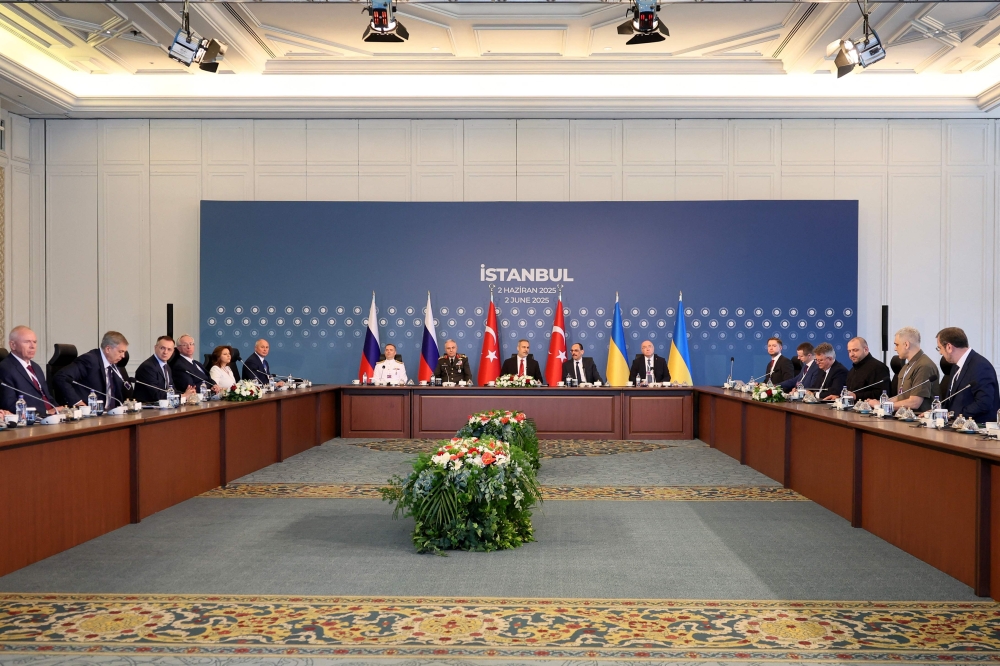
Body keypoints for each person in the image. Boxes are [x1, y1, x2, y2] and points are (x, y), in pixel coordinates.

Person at [936, 327, 999, 423]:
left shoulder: (980, 366)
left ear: (949, 347)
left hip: (976, 429)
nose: (940, 352)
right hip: (956, 426)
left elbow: (984, 403)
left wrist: (955, 414)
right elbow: (952, 400)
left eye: (939, 348)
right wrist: (938, 412)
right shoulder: (956, 366)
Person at [869, 326, 939, 412]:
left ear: (906, 344)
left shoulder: (924, 366)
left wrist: (882, 405)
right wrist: (882, 403)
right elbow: (902, 396)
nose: (895, 348)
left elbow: (914, 402)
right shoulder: (907, 366)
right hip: (904, 416)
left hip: (919, 420)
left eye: (897, 344)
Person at [55, 331, 130, 408]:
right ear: (108, 349)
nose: (123, 356)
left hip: (111, 413)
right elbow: (61, 376)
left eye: (124, 352)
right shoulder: (89, 360)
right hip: (89, 412)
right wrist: (77, 402)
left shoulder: (114, 365)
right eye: (120, 351)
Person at [0, 325, 56, 415]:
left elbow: (47, 397)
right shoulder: (5, 368)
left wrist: (59, 410)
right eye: (27, 342)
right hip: (32, 422)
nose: (32, 346)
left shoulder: (36, 367)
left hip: (51, 418)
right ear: (13, 345)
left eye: (34, 342)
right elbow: (9, 404)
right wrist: (45, 412)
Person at [134, 336, 195, 403]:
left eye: (169, 349)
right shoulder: (148, 367)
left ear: (173, 351)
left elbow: (171, 390)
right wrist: (183, 396)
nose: (165, 352)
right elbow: (156, 395)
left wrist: (188, 393)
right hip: (148, 408)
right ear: (155, 348)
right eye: (162, 348)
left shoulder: (167, 366)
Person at [839, 336, 890, 401]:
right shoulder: (852, 370)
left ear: (866, 349)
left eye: (855, 350)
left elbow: (882, 394)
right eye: (849, 351)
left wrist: (856, 396)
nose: (851, 354)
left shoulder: (878, 367)